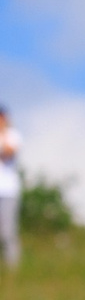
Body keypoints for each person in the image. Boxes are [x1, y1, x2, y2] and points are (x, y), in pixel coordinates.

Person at [0, 105, 22, 273]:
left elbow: (9, 152)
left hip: (7, 192)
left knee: (7, 232)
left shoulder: (13, 135)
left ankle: (13, 268)